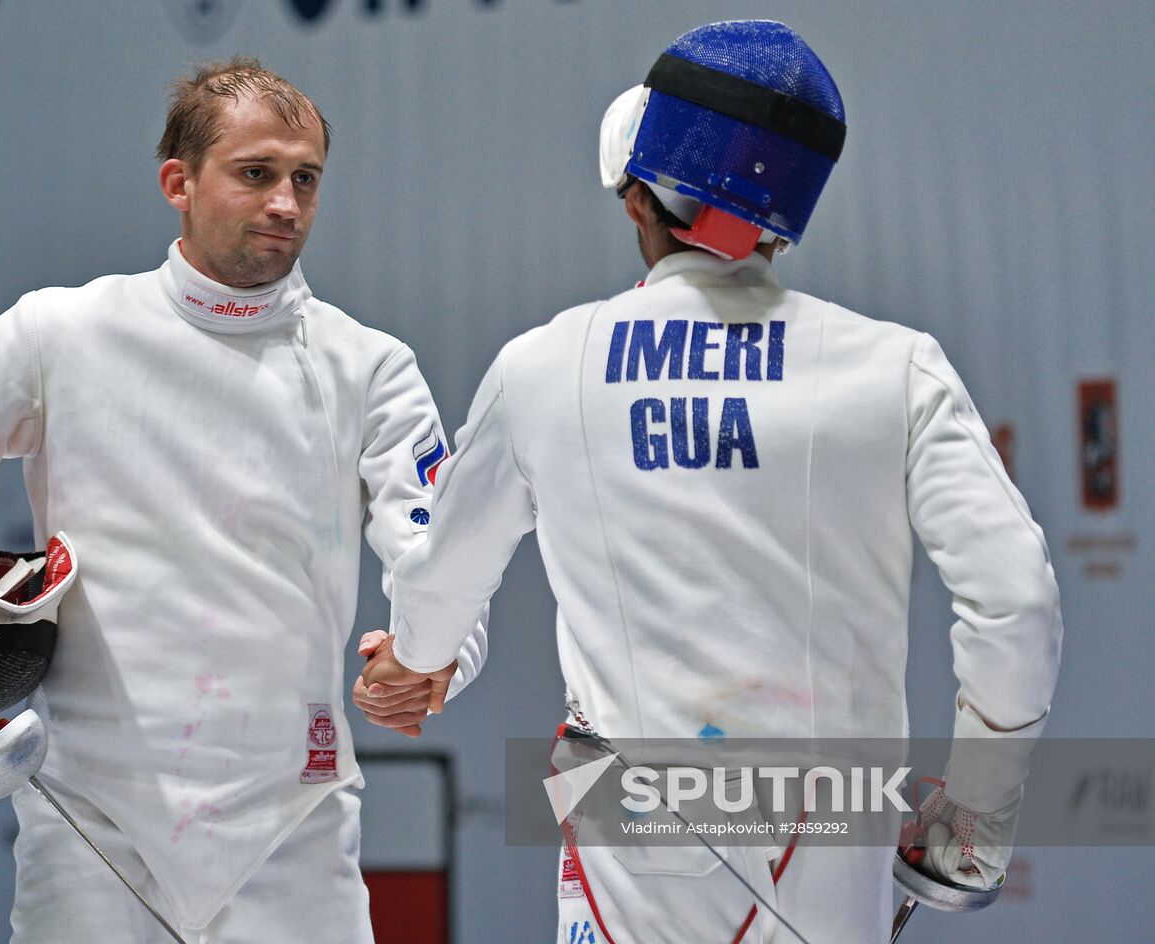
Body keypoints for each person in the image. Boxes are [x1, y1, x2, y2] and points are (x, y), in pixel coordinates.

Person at [360, 20, 1062, 943]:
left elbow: (440, 585)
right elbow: (1017, 606)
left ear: (639, 196)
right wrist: (975, 817)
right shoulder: (896, 369)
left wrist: (412, 664)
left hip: (623, 832)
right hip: (828, 840)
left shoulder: (544, 367)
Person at [0, 58, 485, 944]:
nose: (286, 203)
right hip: (90, 837)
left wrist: (433, 658)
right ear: (179, 183)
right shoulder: (61, 333)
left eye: (304, 178)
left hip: (293, 834)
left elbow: (446, 558)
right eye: (256, 173)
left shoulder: (369, 367)